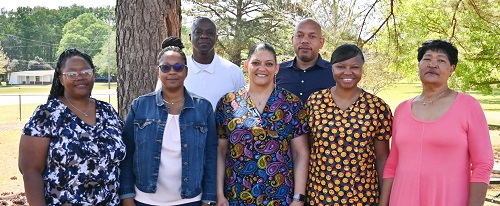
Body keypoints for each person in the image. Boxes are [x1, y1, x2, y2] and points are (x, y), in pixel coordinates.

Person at [379, 40, 494, 206]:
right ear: (419, 65)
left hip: (449, 199)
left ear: (452, 69)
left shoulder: (468, 106)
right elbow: (392, 164)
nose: (433, 64)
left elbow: (483, 164)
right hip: (402, 199)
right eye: (427, 59)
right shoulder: (402, 109)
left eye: (441, 60)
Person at [18, 48, 125, 205]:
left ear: (93, 74)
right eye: (72, 74)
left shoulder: (107, 111)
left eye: (85, 72)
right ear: (61, 79)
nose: (80, 77)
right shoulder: (46, 114)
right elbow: (30, 171)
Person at [120, 37, 217, 206]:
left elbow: (210, 156)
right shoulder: (140, 106)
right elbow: (127, 153)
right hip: (145, 200)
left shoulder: (203, 108)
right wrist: (127, 197)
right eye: (166, 67)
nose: (172, 72)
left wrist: (208, 198)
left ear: (186, 71)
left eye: (178, 67)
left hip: (191, 200)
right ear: (158, 71)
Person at [215, 42, 310, 206]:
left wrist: (298, 198)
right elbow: (220, 152)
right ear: (246, 65)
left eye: (269, 64)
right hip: (236, 197)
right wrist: (219, 194)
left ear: (277, 68)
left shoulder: (291, 104)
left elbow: (300, 153)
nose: (262, 68)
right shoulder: (228, 103)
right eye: (256, 63)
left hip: (280, 198)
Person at [306, 44, 393, 205]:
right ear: (331, 68)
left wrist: (384, 200)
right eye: (340, 66)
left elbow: (382, 158)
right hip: (320, 196)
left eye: (354, 67)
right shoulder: (315, 102)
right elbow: (311, 149)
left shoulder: (377, 107)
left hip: (362, 197)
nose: (347, 72)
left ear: (362, 69)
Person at [156, 17, 246, 109]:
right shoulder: (172, 70)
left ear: (216, 38)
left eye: (210, 33)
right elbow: (159, 107)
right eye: (198, 32)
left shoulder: (234, 72)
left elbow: (242, 109)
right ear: (190, 37)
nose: (204, 36)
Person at [276, 18, 336, 103]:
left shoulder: (335, 73)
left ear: (321, 43)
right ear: (293, 40)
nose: (305, 41)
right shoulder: (277, 71)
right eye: (299, 36)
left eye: (312, 36)